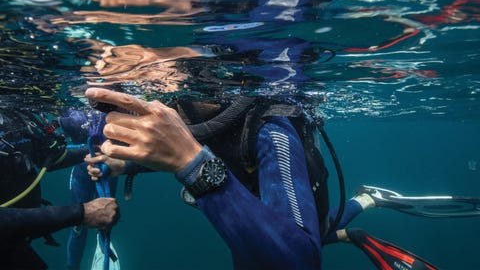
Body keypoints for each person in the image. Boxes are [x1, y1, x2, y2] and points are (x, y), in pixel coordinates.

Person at [86, 87, 479, 269]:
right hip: (255, 204)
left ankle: (363, 208)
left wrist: (191, 164)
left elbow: (298, 263)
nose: (167, 100)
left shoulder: (270, 130)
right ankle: (366, 201)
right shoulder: (203, 121)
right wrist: (127, 163)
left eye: (176, 90)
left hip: (289, 209)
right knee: (315, 233)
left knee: (313, 236)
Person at [0, 107, 120, 269]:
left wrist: (96, 150)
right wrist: (81, 213)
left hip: (15, 241)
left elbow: (50, 159)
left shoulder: (12, 116)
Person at [58, 109, 120, 270]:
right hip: (91, 171)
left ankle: (101, 241)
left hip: (107, 169)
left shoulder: (113, 112)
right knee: (79, 226)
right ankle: (73, 266)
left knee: (104, 219)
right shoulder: (72, 114)